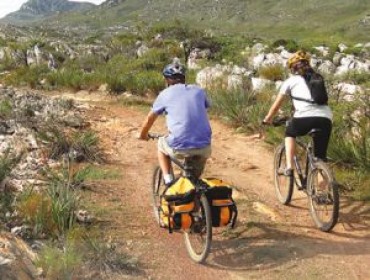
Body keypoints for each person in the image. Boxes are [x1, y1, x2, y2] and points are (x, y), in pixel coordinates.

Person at [138, 60, 212, 186]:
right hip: (205, 146)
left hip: (179, 145)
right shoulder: (199, 91)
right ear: (184, 78)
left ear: (166, 80)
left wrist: (142, 135)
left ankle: (168, 179)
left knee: (161, 145)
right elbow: (205, 107)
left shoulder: (165, 94)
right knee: (194, 183)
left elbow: (150, 119)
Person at [263, 50, 333, 176]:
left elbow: (276, 105)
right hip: (326, 118)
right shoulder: (317, 78)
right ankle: (324, 190)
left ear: (293, 69)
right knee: (320, 157)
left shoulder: (291, 81)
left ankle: (289, 167)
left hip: (304, 117)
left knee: (289, 133)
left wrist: (268, 118)